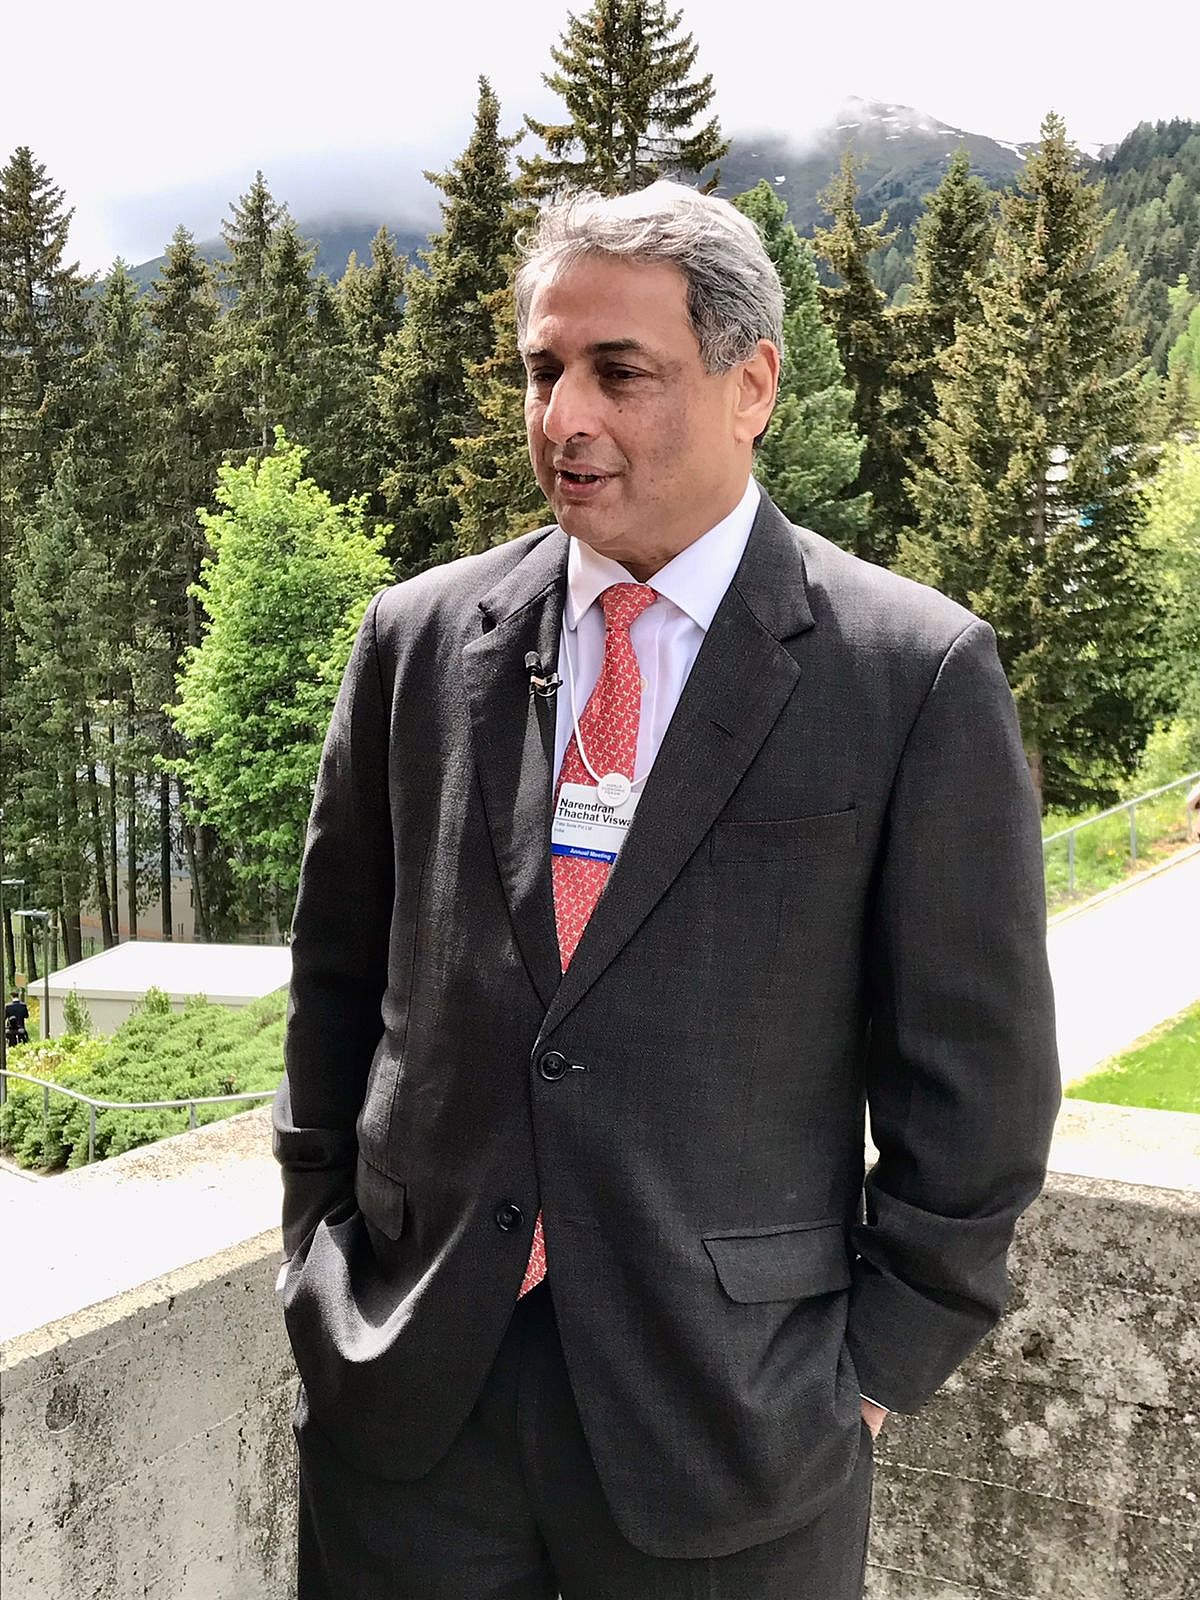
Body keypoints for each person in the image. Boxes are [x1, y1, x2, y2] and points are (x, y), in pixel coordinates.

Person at [273, 181, 1061, 1599]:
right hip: (410, 1405)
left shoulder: (909, 674)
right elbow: (336, 988)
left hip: (733, 1433)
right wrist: (319, 1265)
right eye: (544, 370)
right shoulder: (418, 640)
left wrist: (870, 1376)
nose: (563, 417)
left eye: (619, 371)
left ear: (752, 385)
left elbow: (976, 1085)